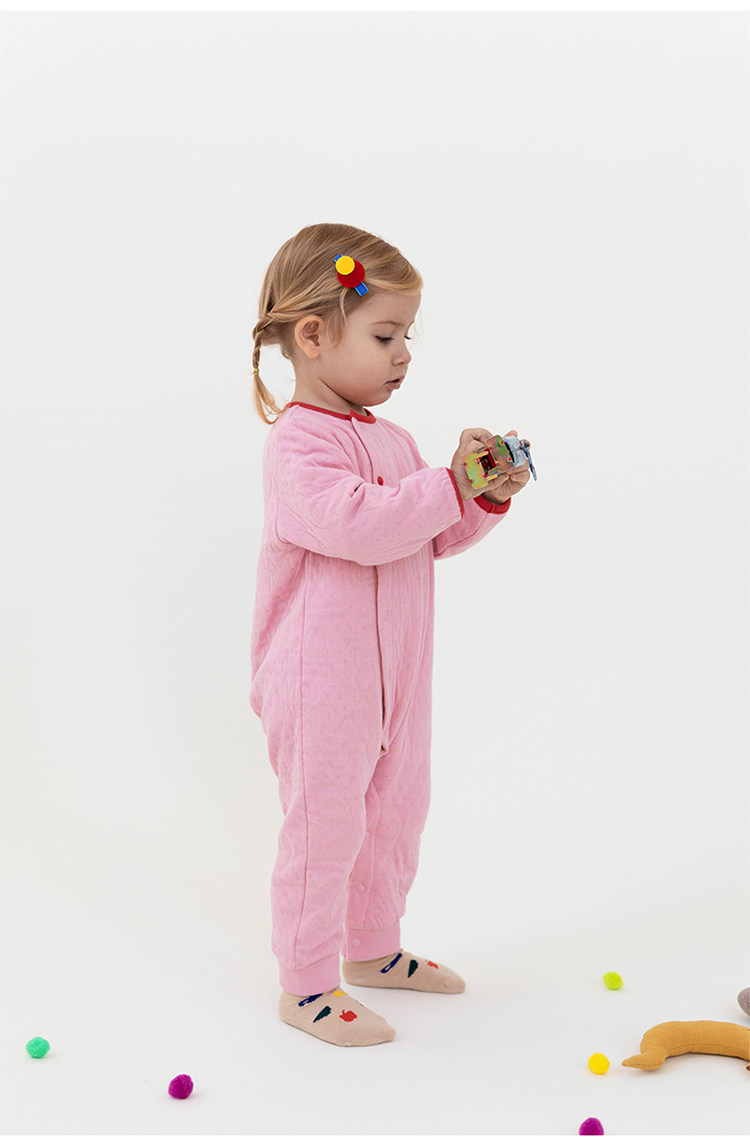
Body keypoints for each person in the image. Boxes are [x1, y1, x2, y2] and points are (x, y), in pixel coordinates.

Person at [249, 222, 531, 1046]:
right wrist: (446, 483)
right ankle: (307, 984)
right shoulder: (298, 445)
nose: (404, 354)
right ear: (313, 335)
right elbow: (361, 525)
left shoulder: (393, 440)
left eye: (407, 336)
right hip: (322, 679)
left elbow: (426, 535)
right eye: (385, 336)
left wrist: (482, 493)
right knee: (326, 825)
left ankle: (372, 947)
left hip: (400, 675)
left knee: (397, 811)